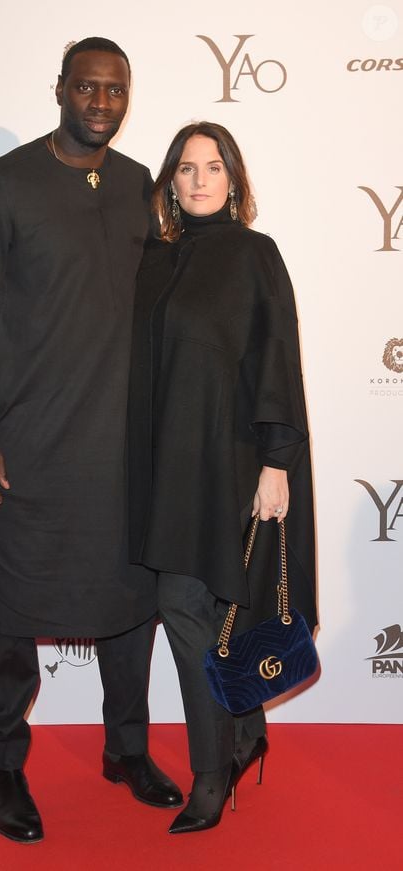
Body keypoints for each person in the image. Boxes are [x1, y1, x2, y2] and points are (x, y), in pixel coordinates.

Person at [0, 37, 183, 845]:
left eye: (115, 89)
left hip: (122, 448)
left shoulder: (140, 186)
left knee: (128, 606)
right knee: (9, 612)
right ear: (60, 89)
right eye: (87, 86)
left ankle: (127, 749)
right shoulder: (5, 184)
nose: (101, 102)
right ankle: (6, 765)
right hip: (28, 445)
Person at [128, 122, 317, 834]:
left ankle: (211, 772)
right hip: (164, 469)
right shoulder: (154, 259)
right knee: (195, 609)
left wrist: (277, 461)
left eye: (213, 167)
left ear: (233, 179)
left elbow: (277, 359)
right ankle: (244, 725)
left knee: (190, 604)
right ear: (170, 183)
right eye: (186, 168)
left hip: (230, 463)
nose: (200, 179)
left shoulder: (253, 254)